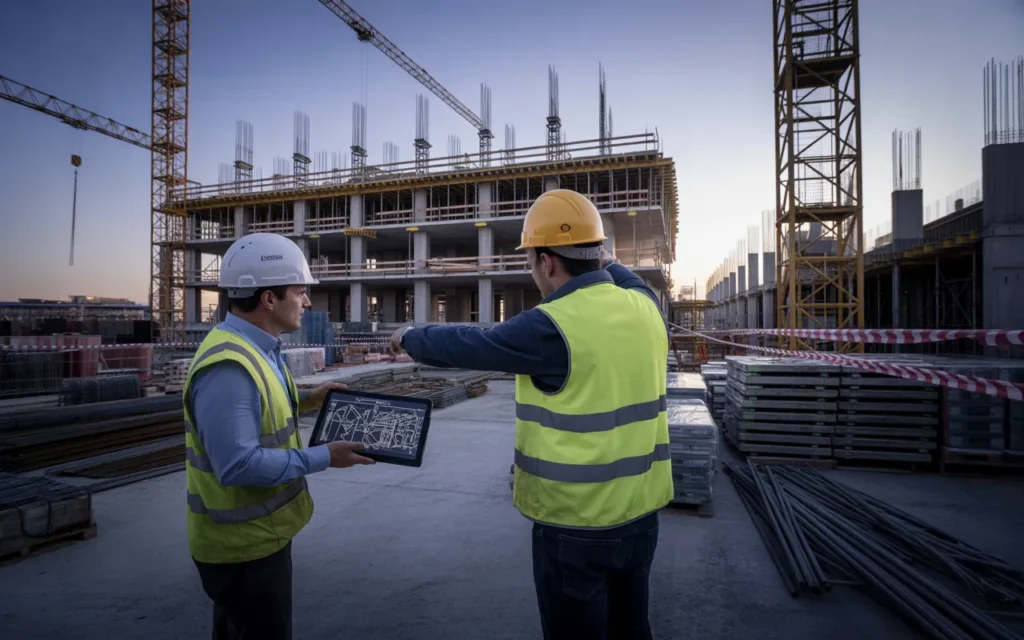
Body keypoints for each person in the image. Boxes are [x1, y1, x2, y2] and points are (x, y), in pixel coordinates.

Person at [389, 189, 673, 640]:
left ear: (546, 262)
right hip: (641, 516)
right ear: (596, 253)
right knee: (632, 629)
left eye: (530, 259)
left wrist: (409, 335)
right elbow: (623, 274)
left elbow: (471, 343)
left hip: (576, 526)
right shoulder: (646, 307)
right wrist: (598, 251)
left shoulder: (552, 324)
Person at [184, 232, 374, 640]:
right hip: (242, 548)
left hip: (258, 539)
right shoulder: (230, 365)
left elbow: (262, 408)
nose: (307, 303)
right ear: (269, 299)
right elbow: (238, 465)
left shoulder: (258, 348)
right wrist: (325, 456)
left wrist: (309, 398)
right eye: (300, 292)